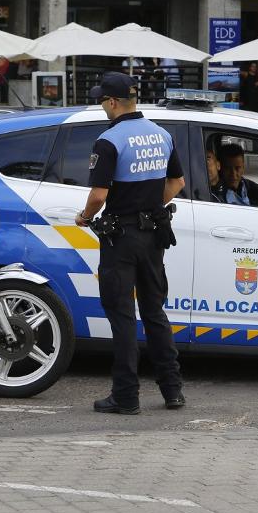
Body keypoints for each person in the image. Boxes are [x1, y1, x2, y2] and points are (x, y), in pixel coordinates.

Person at [74, 72, 185, 414]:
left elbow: (99, 195)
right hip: (154, 236)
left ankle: (126, 396)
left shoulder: (109, 140)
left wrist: (84, 216)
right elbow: (177, 183)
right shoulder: (162, 134)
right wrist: (148, 207)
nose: (101, 106)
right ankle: (172, 390)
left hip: (120, 238)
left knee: (122, 315)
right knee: (154, 311)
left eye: (102, 101)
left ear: (112, 102)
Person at [212, 142, 258, 209]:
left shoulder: (244, 184)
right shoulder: (218, 194)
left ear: (243, 168)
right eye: (227, 168)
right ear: (219, 167)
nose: (233, 174)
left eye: (237, 168)